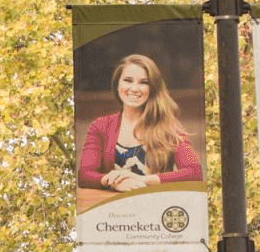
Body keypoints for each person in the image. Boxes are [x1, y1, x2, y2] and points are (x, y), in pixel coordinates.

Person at [78, 53, 203, 192]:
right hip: (113, 209)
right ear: (117, 84)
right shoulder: (100, 126)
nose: (134, 88)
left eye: (144, 82)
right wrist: (112, 182)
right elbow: (84, 175)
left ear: (153, 88)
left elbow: (194, 172)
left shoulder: (169, 127)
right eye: (128, 80)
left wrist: (144, 180)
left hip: (155, 205)